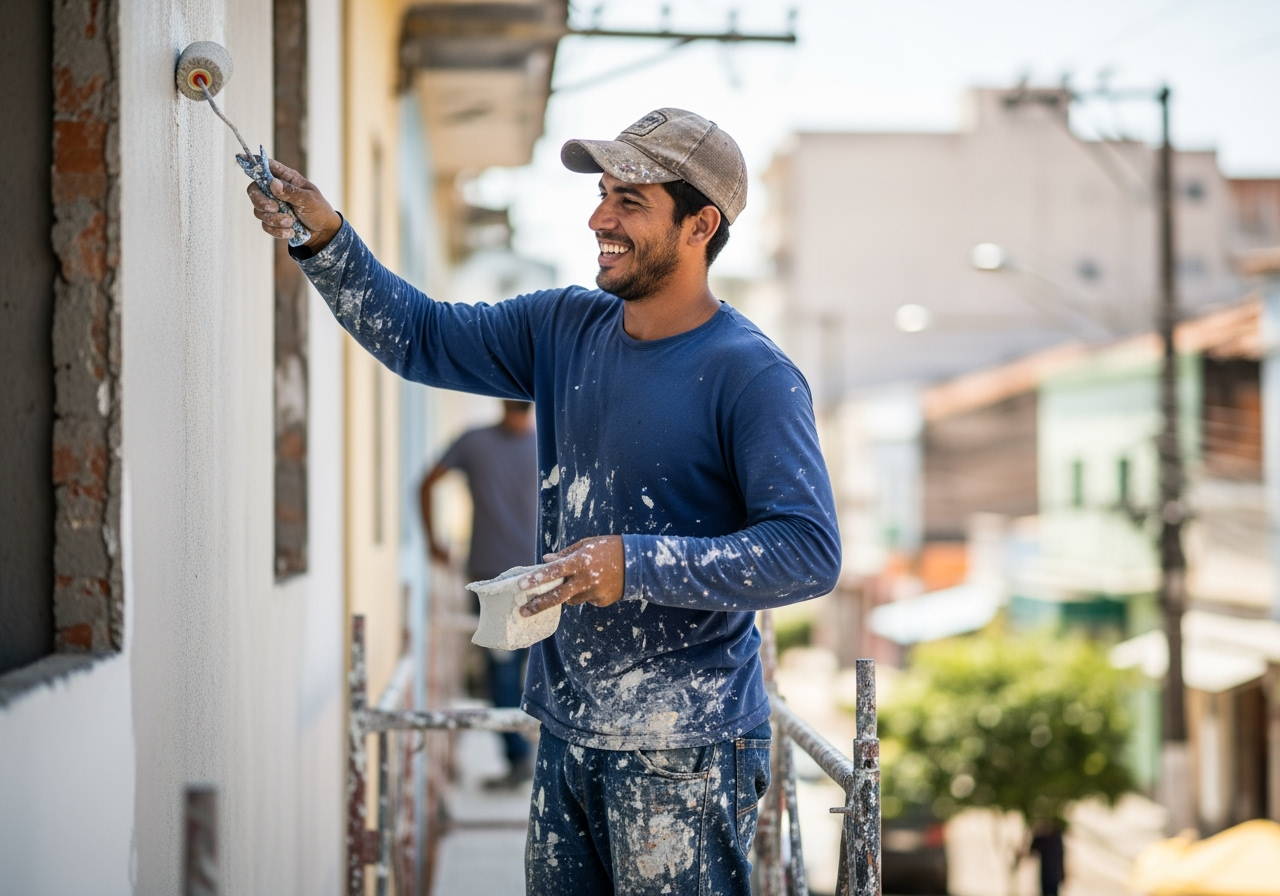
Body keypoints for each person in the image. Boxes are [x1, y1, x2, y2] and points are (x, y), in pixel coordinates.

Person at [245, 107, 841, 896]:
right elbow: (419, 336)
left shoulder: (751, 375)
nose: (600, 218)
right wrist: (322, 240)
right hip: (564, 729)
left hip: (684, 750)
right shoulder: (564, 326)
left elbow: (807, 551)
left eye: (630, 202)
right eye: (602, 194)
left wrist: (632, 563)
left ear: (701, 225)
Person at [420, 399, 538, 787]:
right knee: (524, 674)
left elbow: (425, 483)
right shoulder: (549, 442)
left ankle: (522, 759)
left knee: (507, 675)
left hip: (502, 579)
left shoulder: (475, 441)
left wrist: (433, 544)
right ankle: (527, 760)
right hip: (534, 577)